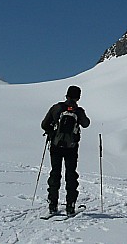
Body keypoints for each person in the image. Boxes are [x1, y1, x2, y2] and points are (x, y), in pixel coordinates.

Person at [41, 85, 90, 215]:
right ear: (78, 97)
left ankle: (52, 204)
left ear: (66, 95)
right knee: (71, 174)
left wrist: (51, 131)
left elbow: (44, 124)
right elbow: (86, 124)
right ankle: (70, 205)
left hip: (56, 146)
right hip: (72, 147)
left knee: (55, 173)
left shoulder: (56, 108)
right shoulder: (78, 110)